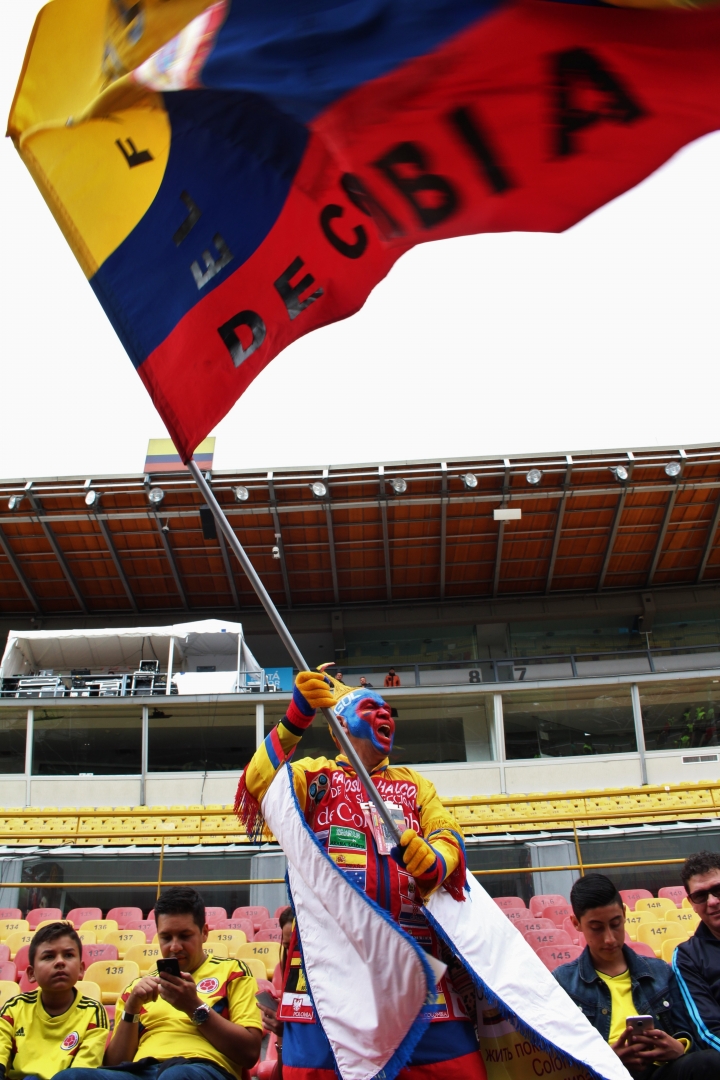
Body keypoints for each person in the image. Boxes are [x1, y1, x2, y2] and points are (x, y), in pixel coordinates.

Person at [236, 670, 482, 1080]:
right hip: (326, 969)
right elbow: (257, 786)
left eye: (388, 710)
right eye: (370, 707)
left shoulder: (416, 785)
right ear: (340, 727)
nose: (385, 714)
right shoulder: (314, 776)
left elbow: (449, 834)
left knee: (461, 1071)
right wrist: (296, 717)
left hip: (416, 965)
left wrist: (435, 862)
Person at [55, 886, 262, 1080]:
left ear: (204, 933)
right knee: (68, 1077)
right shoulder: (137, 989)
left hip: (202, 1068)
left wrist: (193, 1006)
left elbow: (250, 1053)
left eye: (184, 936)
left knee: (174, 1076)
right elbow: (115, 1063)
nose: (174, 946)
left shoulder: (233, 971)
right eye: (166, 937)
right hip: (142, 1071)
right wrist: (132, 1008)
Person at [553, 873, 720, 1078]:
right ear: (576, 923)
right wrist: (606, 1059)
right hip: (603, 1075)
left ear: (624, 914)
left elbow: (686, 1032)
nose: (609, 938)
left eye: (615, 924)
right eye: (596, 928)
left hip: (660, 1072)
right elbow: (557, 1057)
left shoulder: (659, 971)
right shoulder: (562, 982)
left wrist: (679, 1047)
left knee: (709, 1061)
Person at [0, 921, 108, 1079]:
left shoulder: (94, 1012)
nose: (60, 962)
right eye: (49, 956)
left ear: (81, 969)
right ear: (31, 973)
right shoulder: (14, 1008)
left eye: (68, 955)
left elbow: (81, 1073)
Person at [673, 850, 720, 1051]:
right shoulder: (687, 957)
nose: (712, 902)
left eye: (718, 890)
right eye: (700, 895)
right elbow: (708, 1030)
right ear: (691, 903)